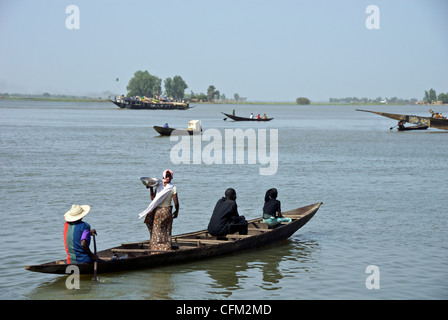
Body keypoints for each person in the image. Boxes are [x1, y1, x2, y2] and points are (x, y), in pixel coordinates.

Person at [139, 169, 179, 253]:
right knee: (166, 230)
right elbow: (176, 203)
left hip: (158, 212)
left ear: (163, 176)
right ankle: (166, 248)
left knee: (156, 231)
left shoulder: (159, 186)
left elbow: (153, 199)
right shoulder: (173, 188)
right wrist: (176, 212)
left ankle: (155, 250)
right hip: (167, 211)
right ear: (171, 177)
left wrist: (151, 188)